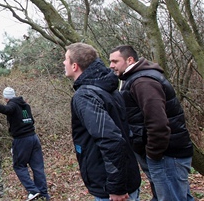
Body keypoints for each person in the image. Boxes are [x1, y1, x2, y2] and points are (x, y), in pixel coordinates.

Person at [109, 45, 194, 201]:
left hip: (167, 155)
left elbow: (158, 122)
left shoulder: (143, 82)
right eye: (110, 61)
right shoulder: (134, 79)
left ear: (130, 60)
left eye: (115, 61)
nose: (111, 65)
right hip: (165, 155)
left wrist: (153, 154)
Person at [64, 43, 141, 201]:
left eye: (65, 59)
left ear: (74, 65)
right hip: (125, 177)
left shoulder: (85, 95)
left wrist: (116, 187)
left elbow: (111, 140)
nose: (63, 63)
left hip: (113, 188)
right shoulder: (106, 87)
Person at [0, 87, 50, 200]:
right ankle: (44, 194)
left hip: (22, 139)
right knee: (38, 167)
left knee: (19, 166)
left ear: (6, 98)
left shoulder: (12, 105)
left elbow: (6, 110)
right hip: (34, 137)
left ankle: (33, 190)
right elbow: (32, 121)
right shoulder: (25, 105)